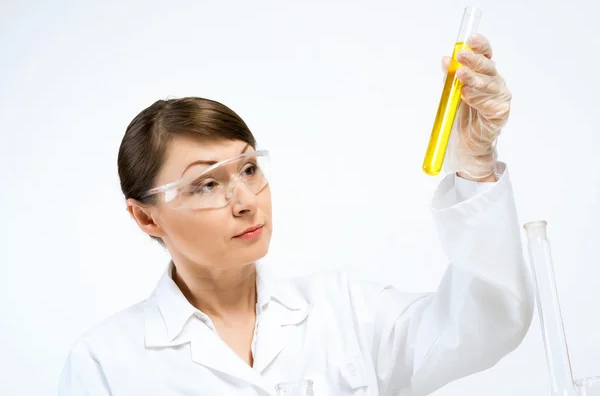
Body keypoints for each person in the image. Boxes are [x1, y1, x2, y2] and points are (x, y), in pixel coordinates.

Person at [58, 34, 533, 395]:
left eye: (248, 167)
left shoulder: (343, 313)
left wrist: (475, 167)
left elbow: (487, 322)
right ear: (146, 218)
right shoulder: (106, 363)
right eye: (206, 183)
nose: (244, 200)